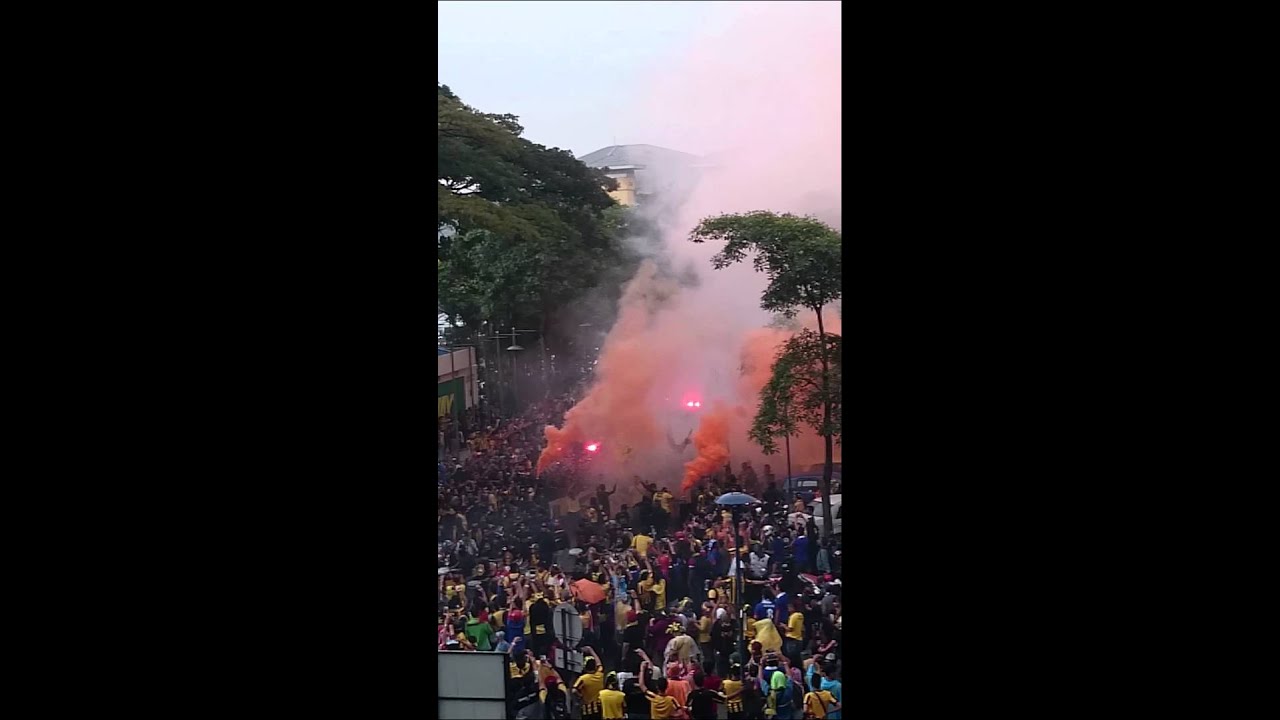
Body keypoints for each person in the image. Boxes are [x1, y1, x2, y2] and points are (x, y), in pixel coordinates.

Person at [574, 647, 605, 720]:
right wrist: (591, 651)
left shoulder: (583, 678)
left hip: (587, 709)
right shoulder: (600, 674)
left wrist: (580, 696)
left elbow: (574, 690)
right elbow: (599, 663)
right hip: (599, 706)